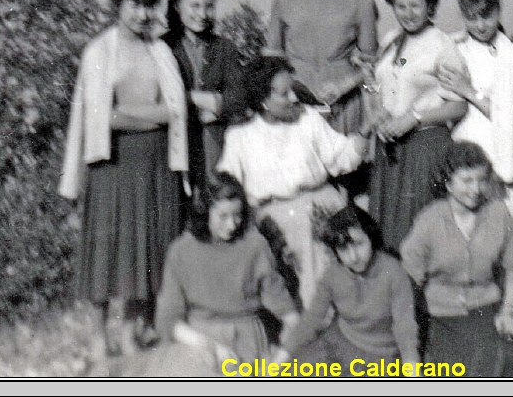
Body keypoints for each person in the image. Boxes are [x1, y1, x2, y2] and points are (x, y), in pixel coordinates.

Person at [58, 0, 188, 356]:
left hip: (153, 165)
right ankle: (99, 341)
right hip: (112, 166)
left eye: (149, 6)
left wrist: (130, 112)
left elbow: (175, 111)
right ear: (118, 5)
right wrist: (149, 114)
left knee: (145, 251)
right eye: (134, 5)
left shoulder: (159, 50)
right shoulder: (99, 51)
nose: (142, 15)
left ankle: (131, 334)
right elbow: (101, 118)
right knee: (105, 255)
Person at [216, 56, 368, 308]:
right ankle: (309, 322)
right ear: (263, 100)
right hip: (276, 215)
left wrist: (360, 138)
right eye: (284, 94)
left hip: (323, 202)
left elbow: (340, 157)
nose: (294, 99)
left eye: (293, 90)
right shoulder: (240, 136)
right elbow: (228, 186)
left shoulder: (307, 118)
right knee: (300, 246)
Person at [400, 141, 513, 377]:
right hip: (439, 316)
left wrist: (508, 312)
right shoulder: (429, 219)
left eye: (481, 180)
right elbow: (407, 280)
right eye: (466, 181)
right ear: (448, 183)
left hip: (485, 312)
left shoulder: (498, 212)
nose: (476, 189)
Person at [366, 0, 469, 250]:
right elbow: (374, 84)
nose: (408, 13)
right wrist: (377, 111)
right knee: (385, 233)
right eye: (400, 6)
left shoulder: (442, 46)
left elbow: (459, 106)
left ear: (430, 7)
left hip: (424, 149)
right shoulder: (390, 40)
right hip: (390, 148)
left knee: (415, 235)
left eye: (415, 5)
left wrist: (414, 117)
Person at [155, 174, 300, 365]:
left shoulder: (255, 245)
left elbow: (285, 309)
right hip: (196, 342)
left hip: (247, 343)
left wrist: (285, 354)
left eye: (237, 215)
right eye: (223, 216)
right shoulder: (181, 250)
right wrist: (209, 346)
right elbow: (167, 319)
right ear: (204, 212)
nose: (232, 225)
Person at [265, 0, 379, 135]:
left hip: (343, 106)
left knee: (344, 165)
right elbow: (272, 59)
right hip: (294, 102)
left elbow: (371, 64)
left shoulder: (363, 3)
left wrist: (344, 86)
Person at [281, 206, 421, 367]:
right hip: (339, 341)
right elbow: (311, 318)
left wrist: (412, 367)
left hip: (382, 354)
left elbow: (405, 326)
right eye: (343, 249)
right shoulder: (332, 273)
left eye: (358, 244)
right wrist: (282, 355)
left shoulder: (394, 272)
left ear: (371, 238)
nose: (353, 257)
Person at [436, 0, 513, 193]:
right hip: (462, 142)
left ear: (498, 11)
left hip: (496, 150)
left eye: (487, 17)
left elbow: (510, 115)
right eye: (472, 18)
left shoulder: (510, 56)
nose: (480, 25)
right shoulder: (456, 48)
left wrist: (468, 90)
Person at [163, 0, 248, 182]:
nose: (202, 15)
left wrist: (193, 99)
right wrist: (212, 103)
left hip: (214, 149)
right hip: (172, 147)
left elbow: (239, 98)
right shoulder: (163, 47)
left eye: (209, 7)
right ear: (177, 6)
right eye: (194, 6)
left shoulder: (224, 48)